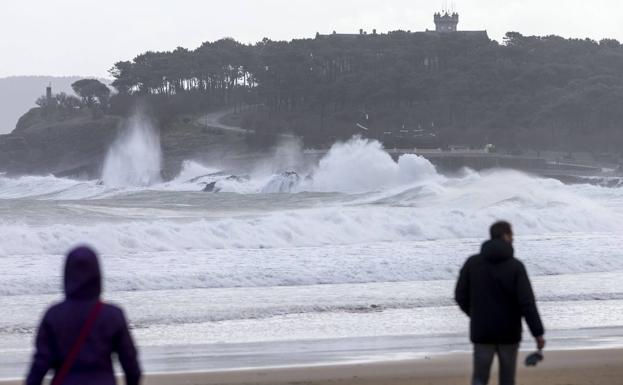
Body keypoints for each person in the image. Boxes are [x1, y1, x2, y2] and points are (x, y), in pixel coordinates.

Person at [26, 246, 141, 385]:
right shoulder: (113, 315)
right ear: (97, 274)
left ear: (67, 273)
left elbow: (41, 363)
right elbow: (131, 364)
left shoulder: (53, 315)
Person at [455, 221, 545, 385]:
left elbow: (460, 295)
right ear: (505, 236)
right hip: (509, 333)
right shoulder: (516, 267)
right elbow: (527, 303)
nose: (513, 238)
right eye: (512, 235)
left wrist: (476, 314)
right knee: (507, 381)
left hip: (482, 332)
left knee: (479, 379)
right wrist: (538, 333)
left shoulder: (472, 263)